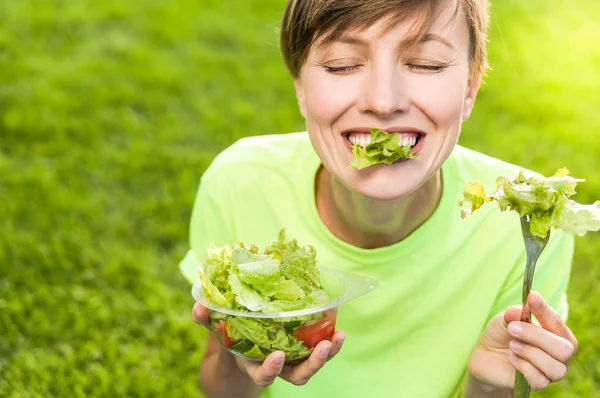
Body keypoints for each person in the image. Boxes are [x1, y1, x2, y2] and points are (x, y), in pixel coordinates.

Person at [180, 0, 578, 397]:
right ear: (300, 87)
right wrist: (238, 344)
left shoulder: (527, 219)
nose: (384, 102)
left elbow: (496, 381)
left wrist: (488, 384)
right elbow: (223, 390)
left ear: (470, 87)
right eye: (341, 65)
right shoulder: (240, 182)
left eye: (426, 64)